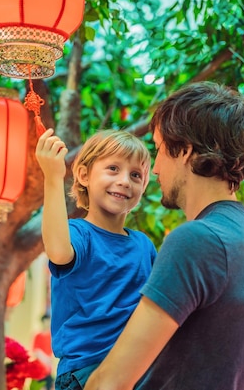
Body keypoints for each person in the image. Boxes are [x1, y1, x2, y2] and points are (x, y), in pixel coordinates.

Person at [84, 81, 244, 390]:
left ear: (185, 150)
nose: (154, 169)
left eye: (158, 150)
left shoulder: (198, 239)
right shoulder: (242, 232)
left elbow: (110, 383)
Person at [35, 128, 157, 390]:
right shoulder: (80, 234)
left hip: (135, 373)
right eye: (113, 168)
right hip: (85, 373)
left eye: (136, 175)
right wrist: (53, 178)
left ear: (143, 187)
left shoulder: (145, 246)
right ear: (84, 175)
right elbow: (58, 251)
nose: (125, 180)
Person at [33, 314, 55, 390]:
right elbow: (36, 351)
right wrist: (45, 359)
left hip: (49, 368)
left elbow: (53, 351)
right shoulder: (38, 336)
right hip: (39, 368)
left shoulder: (52, 336)